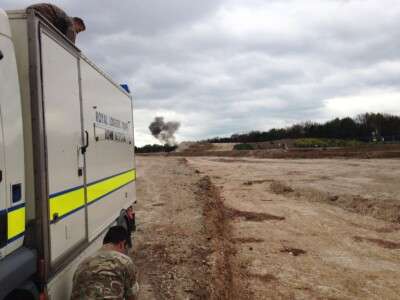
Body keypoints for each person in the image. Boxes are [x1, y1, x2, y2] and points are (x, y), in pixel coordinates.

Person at [71, 226, 139, 300]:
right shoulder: (124, 261)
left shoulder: (83, 263)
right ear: (121, 244)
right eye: (125, 248)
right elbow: (132, 296)